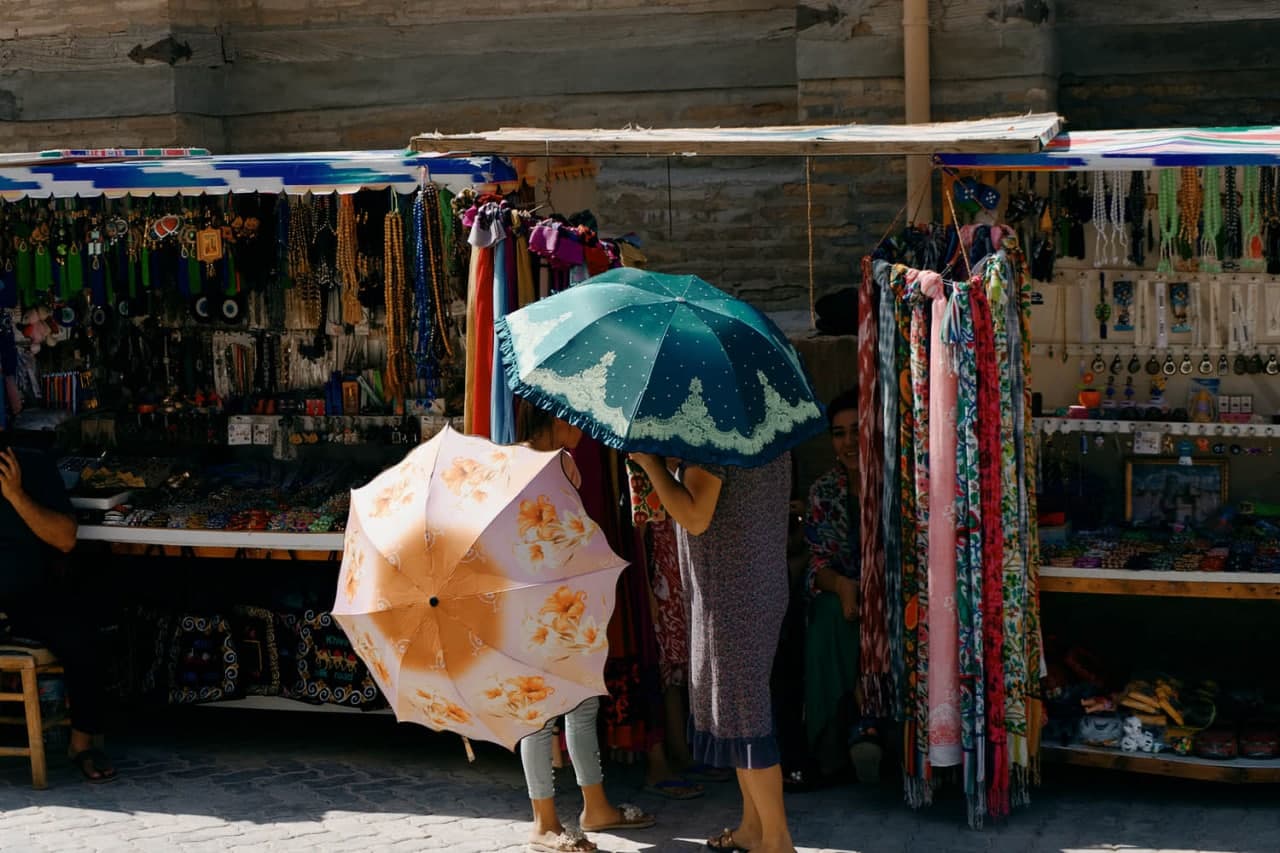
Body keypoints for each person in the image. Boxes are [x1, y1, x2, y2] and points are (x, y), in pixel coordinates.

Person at [629, 449, 794, 853]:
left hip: (733, 593)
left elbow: (696, 515)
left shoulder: (717, 428)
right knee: (740, 714)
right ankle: (753, 827)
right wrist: (674, 467)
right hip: (752, 584)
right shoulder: (762, 422)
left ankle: (776, 841)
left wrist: (651, 465)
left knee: (745, 717)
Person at [515, 401, 655, 853]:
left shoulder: (566, 465)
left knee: (583, 702)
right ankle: (544, 821)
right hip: (532, 603)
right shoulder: (515, 468)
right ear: (553, 418)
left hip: (568, 599)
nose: (583, 427)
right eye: (575, 417)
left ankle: (595, 805)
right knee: (539, 713)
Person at [0, 432, 116, 783]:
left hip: (27, 598)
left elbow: (65, 538)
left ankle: (81, 745)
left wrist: (16, 495)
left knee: (81, 635)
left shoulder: (29, 464)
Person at [804, 389, 881, 784]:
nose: (849, 442)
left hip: (891, 595)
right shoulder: (824, 490)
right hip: (842, 598)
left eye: (857, 431)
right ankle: (835, 743)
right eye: (839, 434)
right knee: (831, 616)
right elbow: (816, 563)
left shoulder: (896, 486)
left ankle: (868, 727)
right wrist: (844, 586)